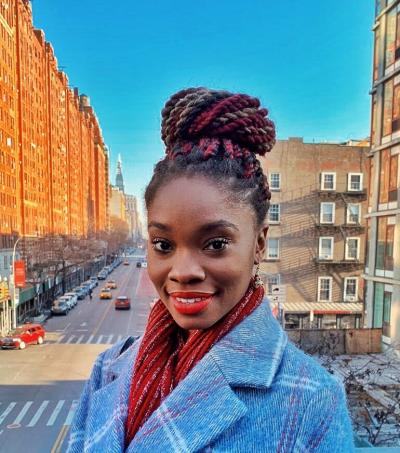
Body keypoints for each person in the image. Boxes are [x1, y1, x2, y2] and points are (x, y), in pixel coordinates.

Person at [67, 88, 355, 452]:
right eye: (164, 245)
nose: (183, 271)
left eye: (216, 244)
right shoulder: (109, 367)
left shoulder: (315, 403)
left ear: (259, 244)